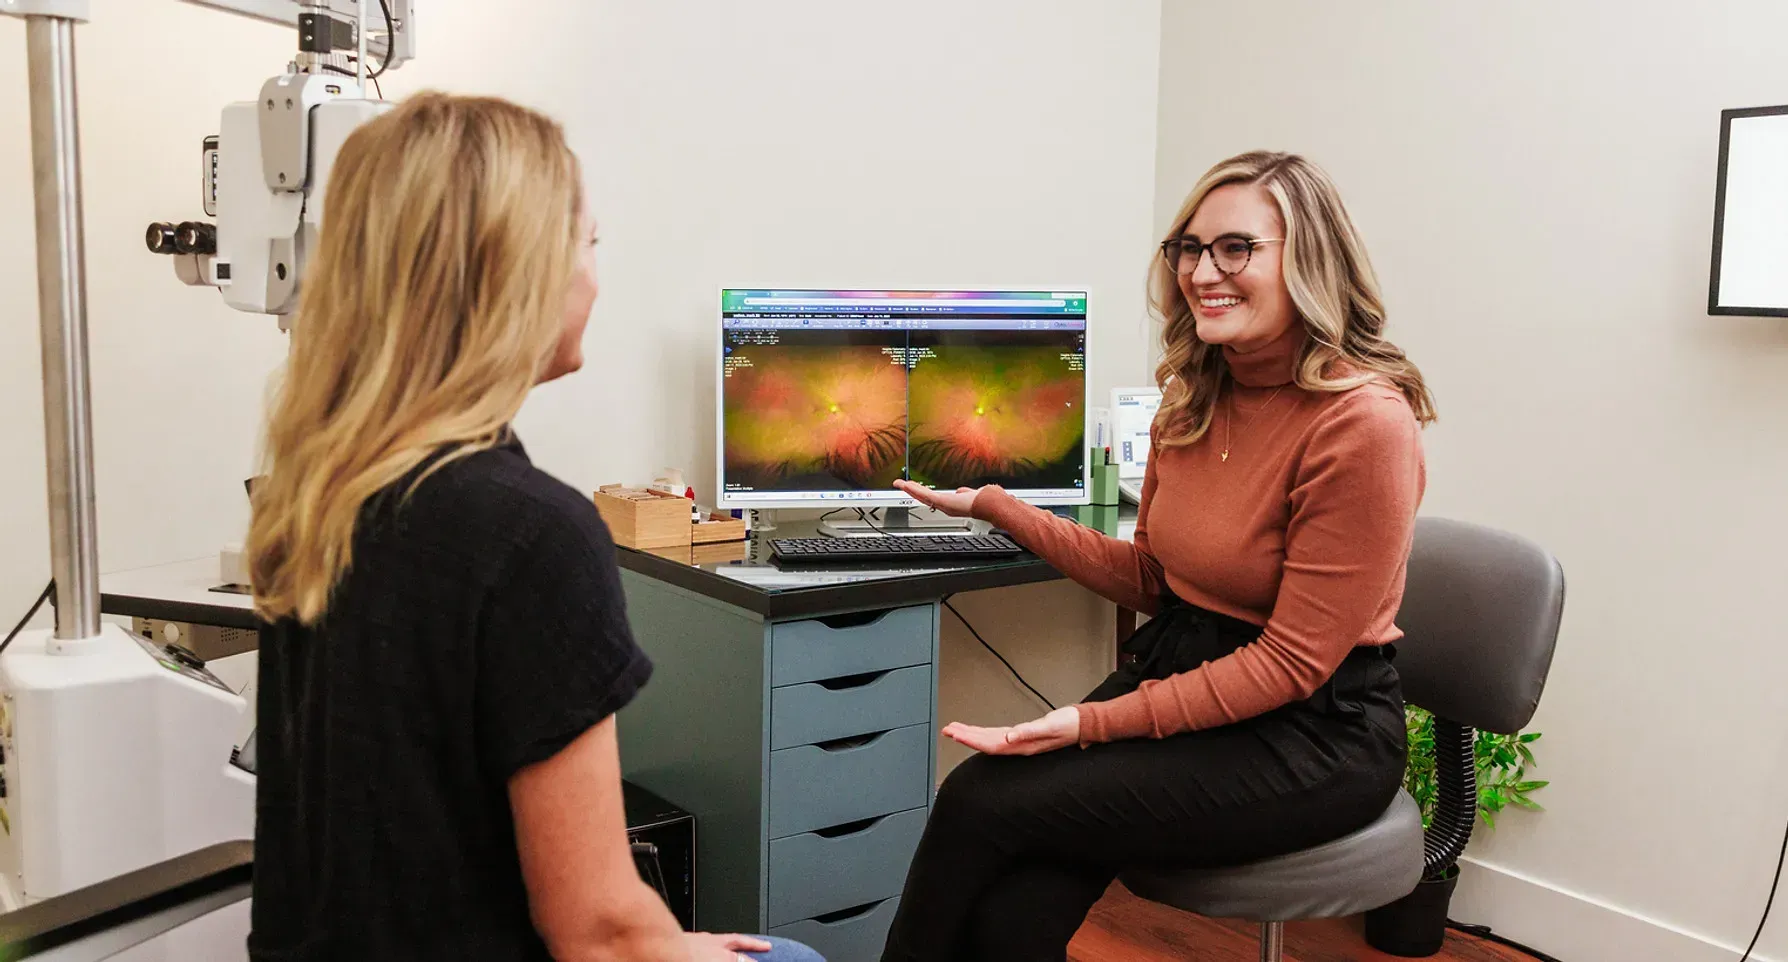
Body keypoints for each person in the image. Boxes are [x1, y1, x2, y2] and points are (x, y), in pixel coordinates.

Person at [244, 92, 821, 962]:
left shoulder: (314, 498)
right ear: (515, 273)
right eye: (589, 244)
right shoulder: (531, 535)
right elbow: (599, 934)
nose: (596, 278)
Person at [880, 150, 1434, 961]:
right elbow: (1154, 580)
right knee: (1017, 905)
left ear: (1310, 260)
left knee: (977, 801)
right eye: (1189, 248)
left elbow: (1290, 663)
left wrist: (1090, 723)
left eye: (1236, 248)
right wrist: (1000, 508)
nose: (1203, 272)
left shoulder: (1363, 424)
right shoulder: (1193, 397)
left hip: (1314, 734)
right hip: (1188, 670)